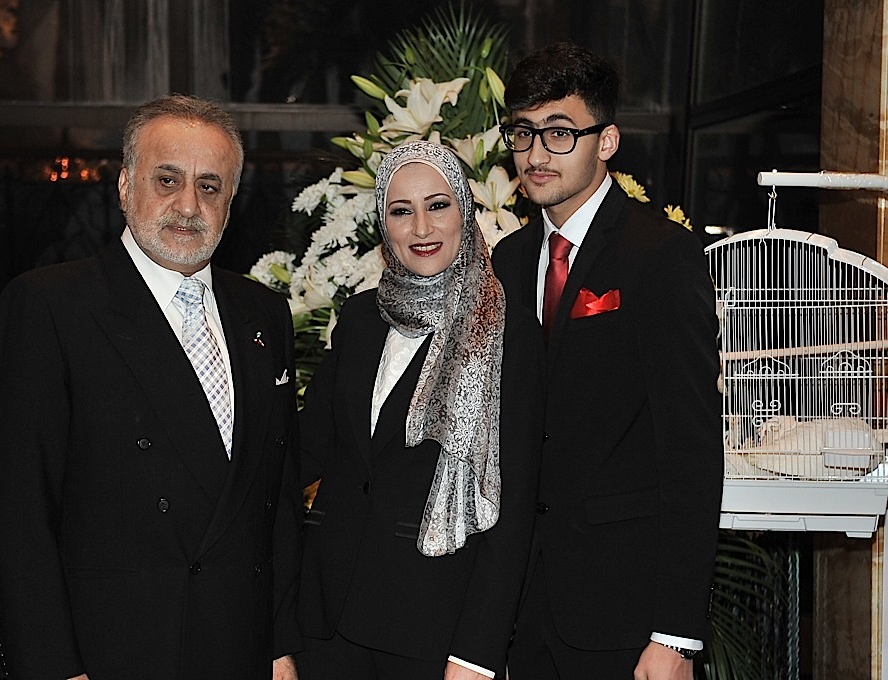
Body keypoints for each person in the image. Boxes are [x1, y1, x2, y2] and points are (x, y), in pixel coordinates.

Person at [0, 94, 303, 680]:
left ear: (231, 202)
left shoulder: (264, 314)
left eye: (209, 186)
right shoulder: (50, 306)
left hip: (239, 647)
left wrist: (280, 646)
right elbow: (16, 514)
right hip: (112, 652)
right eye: (167, 180)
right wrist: (53, 667)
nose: (188, 205)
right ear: (126, 187)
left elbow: (274, 502)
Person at [491, 43, 723, 680]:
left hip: (626, 612)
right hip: (523, 610)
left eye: (560, 133)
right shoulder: (509, 262)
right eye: (523, 133)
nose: (537, 155)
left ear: (608, 141)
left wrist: (676, 634)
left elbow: (692, 453)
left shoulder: (660, 255)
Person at [295, 140, 545, 680]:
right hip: (326, 619)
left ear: (465, 211)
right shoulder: (360, 318)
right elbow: (306, 449)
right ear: (383, 225)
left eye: (437, 205)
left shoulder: (509, 333)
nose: (421, 228)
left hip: (433, 629)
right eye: (401, 211)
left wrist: (476, 654)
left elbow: (514, 505)